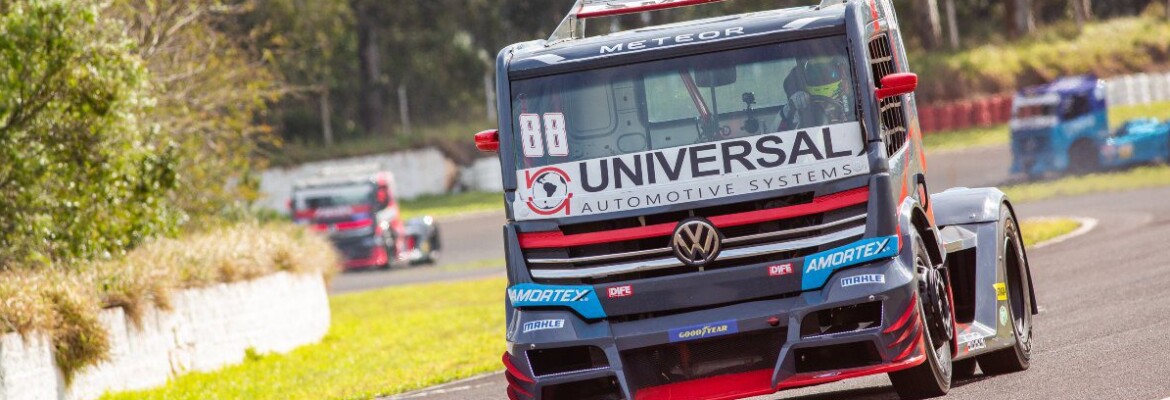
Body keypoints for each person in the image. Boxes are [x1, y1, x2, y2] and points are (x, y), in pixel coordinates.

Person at [778, 55, 852, 129]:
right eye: (815, 73)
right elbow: (775, 134)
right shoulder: (798, 108)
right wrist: (788, 111)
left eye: (826, 72)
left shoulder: (852, 103)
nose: (822, 77)